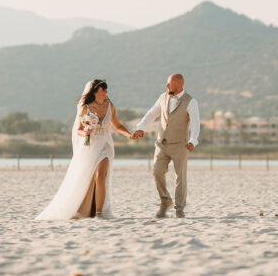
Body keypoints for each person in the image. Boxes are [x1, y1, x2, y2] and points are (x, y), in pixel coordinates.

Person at [36, 79, 134, 220]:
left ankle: (99, 213)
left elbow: (117, 125)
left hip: (106, 145)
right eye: (103, 90)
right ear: (94, 92)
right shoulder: (85, 108)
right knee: (86, 178)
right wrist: (86, 132)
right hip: (90, 147)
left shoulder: (110, 106)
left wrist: (129, 135)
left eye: (106, 90)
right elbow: (79, 130)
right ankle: (87, 209)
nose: (106, 93)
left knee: (100, 175)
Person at [132, 73, 199, 218]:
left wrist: (193, 140)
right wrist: (140, 127)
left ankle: (179, 208)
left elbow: (195, 123)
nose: (166, 86)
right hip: (161, 143)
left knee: (180, 177)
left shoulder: (191, 101)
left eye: (169, 84)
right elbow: (152, 113)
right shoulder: (162, 97)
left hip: (180, 145)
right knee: (157, 172)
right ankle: (165, 200)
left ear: (179, 85)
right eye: (167, 83)